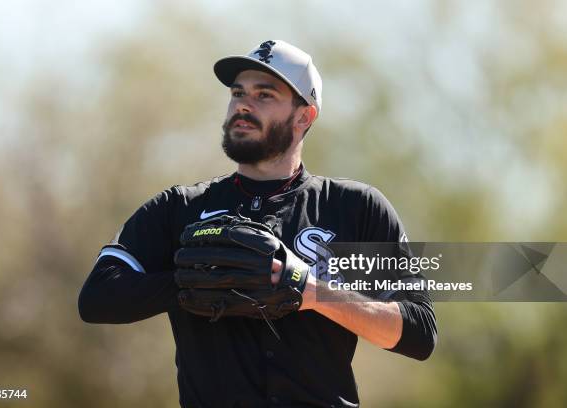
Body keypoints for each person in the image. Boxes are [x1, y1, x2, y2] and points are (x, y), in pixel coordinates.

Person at [78, 40, 437, 408]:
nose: (243, 105)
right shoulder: (182, 208)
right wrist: (193, 282)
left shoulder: (354, 209)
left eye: (264, 95)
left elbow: (419, 332)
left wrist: (310, 290)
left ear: (304, 116)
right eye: (237, 93)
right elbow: (97, 298)